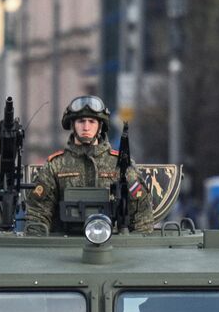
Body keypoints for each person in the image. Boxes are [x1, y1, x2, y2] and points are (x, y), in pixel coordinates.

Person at [25, 95, 153, 236]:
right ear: (73, 124)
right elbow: (38, 213)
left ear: (100, 126)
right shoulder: (55, 166)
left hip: (112, 248)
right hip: (64, 248)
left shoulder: (121, 165)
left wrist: (133, 248)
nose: (86, 127)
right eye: (81, 121)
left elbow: (142, 213)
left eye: (92, 121)